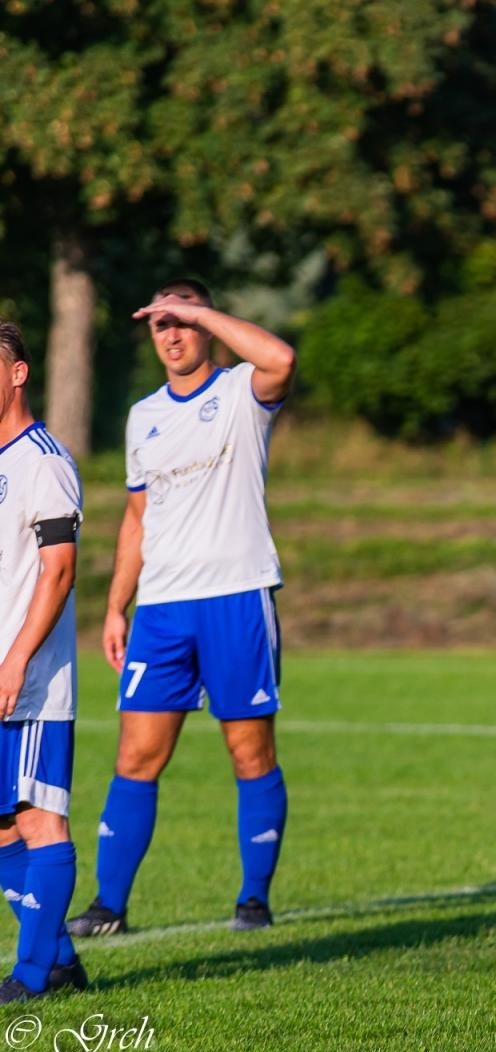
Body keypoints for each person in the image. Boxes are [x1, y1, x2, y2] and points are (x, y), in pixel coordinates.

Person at [67, 279, 296, 938]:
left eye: (184, 321)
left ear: (205, 324)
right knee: (135, 756)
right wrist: (117, 607)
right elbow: (140, 518)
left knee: (249, 752)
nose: (172, 334)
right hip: (163, 610)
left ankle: (254, 898)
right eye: (161, 324)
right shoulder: (144, 415)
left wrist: (206, 313)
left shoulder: (239, 392)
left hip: (235, 596)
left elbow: (282, 359)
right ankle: (109, 906)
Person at [0, 320, 87, 1003]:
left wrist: (17, 658)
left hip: (28, 680)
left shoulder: (44, 460)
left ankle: (31, 978)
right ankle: (58, 960)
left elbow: (58, 572)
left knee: (39, 818)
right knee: (1, 828)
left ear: (18, 373)